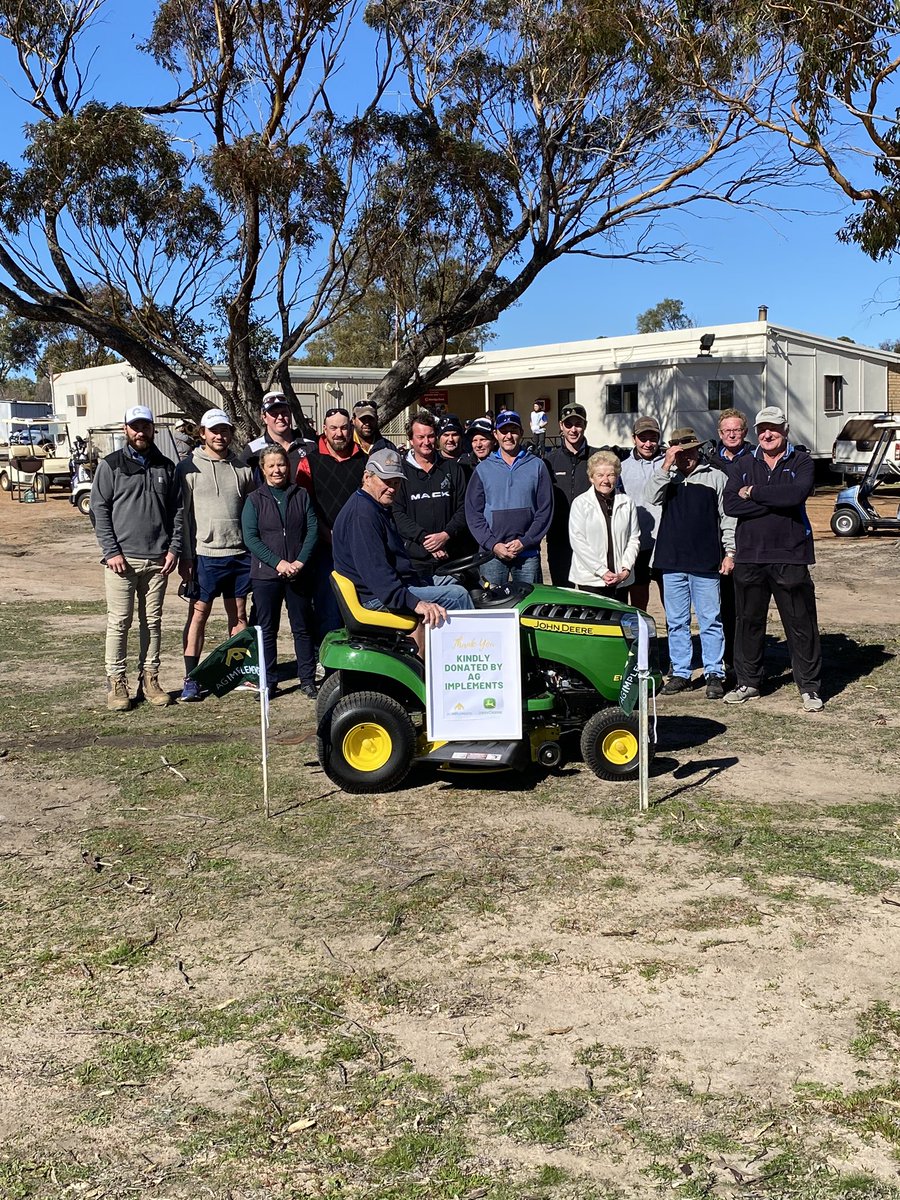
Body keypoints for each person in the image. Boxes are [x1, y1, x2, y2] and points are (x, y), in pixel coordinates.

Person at [723, 406, 823, 711]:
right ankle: (749, 682)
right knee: (748, 622)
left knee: (800, 623)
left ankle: (810, 688)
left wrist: (752, 492)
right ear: (756, 432)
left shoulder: (802, 461)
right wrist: (774, 498)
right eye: (762, 429)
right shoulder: (742, 463)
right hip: (750, 556)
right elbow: (730, 505)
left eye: (774, 429)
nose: (768, 434)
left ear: (786, 430)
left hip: (790, 555)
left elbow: (796, 496)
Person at [332, 448, 474, 656]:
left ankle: (433, 658)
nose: (392, 488)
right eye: (386, 481)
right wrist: (415, 603)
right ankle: (466, 661)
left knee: (454, 580)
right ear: (367, 477)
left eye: (396, 482)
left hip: (390, 586)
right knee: (457, 596)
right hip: (376, 597)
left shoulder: (374, 507)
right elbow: (378, 575)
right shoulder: (363, 515)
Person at [90, 405, 183, 711]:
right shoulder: (110, 465)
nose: (140, 432)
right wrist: (111, 551)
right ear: (125, 429)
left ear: (153, 429)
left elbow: (178, 513)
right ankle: (117, 682)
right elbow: (99, 510)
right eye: (135, 427)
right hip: (121, 560)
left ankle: (150, 678)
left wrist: (174, 549)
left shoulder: (166, 467)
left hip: (158, 560)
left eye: (145, 426)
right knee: (119, 622)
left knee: (152, 622)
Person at [646, 428, 736, 700]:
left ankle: (714, 673)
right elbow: (651, 497)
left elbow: (728, 518)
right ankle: (682, 672)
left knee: (710, 620)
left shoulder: (716, 477)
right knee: (676, 621)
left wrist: (729, 552)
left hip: (706, 562)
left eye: (690, 450)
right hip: (671, 561)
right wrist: (666, 465)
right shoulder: (666, 477)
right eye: (679, 452)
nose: (685, 457)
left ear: (698, 450)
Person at [176, 409, 255, 702]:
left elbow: (251, 512)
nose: (220, 436)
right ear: (203, 434)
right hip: (204, 555)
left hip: (239, 555)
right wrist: (185, 557)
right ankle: (191, 678)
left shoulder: (244, 469)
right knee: (199, 616)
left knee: (239, 615)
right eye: (214, 431)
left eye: (224, 430)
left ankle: (237, 672)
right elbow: (181, 517)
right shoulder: (188, 469)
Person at [241, 445, 319, 701]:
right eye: (271, 465)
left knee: (303, 627)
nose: (277, 470)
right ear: (263, 470)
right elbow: (251, 538)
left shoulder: (301, 495)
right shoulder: (254, 500)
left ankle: (307, 679)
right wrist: (278, 563)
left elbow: (312, 530)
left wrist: (299, 562)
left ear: (289, 466)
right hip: (266, 575)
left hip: (298, 572)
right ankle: (269, 682)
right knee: (266, 629)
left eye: (281, 464)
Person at [296, 407, 366, 640]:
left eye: (344, 427)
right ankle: (329, 667)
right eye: (333, 428)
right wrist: (329, 535)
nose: (339, 433)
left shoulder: (365, 462)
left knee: (362, 607)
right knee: (328, 609)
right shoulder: (309, 462)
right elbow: (306, 508)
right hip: (324, 549)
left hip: (359, 547)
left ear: (352, 429)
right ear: (324, 430)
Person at [464, 409, 554, 587]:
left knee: (530, 607)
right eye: (504, 431)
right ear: (496, 435)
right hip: (492, 554)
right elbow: (473, 513)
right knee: (491, 608)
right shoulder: (483, 469)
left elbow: (545, 510)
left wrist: (525, 541)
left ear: (521, 433)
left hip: (527, 554)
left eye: (513, 430)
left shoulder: (537, 466)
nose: (508, 436)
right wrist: (493, 544)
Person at [393, 410, 470, 577]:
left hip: (451, 556)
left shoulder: (452, 468)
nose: (426, 442)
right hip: (415, 560)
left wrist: (445, 535)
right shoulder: (400, 472)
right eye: (420, 437)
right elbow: (397, 513)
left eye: (430, 436)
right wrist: (425, 539)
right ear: (410, 439)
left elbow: (464, 507)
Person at [707, 408, 754, 673]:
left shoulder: (755, 459)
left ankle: (746, 661)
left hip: (749, 540)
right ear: (719, 433)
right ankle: (727, 661)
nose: (732, 434)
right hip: (719, 542)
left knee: (747, 607)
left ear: (745, 432)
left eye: (737, 430)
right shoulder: (712, 462)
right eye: (727, 430)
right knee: (722, 606)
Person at [568, 451, 640, 599]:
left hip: (620, 579)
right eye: (600, 475)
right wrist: (602, 571)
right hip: (591, 579)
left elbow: (634, 538)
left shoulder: (627, 502)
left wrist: (625, 570)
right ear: (591, 478)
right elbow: (578, 541)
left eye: (611, 475)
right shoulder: (580, 503)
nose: (606, 480)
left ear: (617, 476)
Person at [544, 401, 597, 586]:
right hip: (559, 539)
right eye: (568, 424)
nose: (573, 430)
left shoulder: (597, 459)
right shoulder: (549, 462)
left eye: (578, 424)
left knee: (589, 596)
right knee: (563, 593)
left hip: (591, 540)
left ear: (585, 426)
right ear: (561, 426)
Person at [619, 415, 665, 610]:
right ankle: (643, 635)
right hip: (638, 542)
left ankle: (674, 638)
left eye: (652, 438)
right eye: (643, 438)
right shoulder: (622, 468)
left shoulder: (669, 465)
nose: (648, 443)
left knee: (670, 596)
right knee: (639, 596)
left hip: (665, 542)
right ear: (634, 438)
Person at [242, 390, 315, 479]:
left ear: (290, 414)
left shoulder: (309, 446)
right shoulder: (253, 450)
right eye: (274, 414)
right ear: (264, 418)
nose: (280, 417)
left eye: (284, 413)